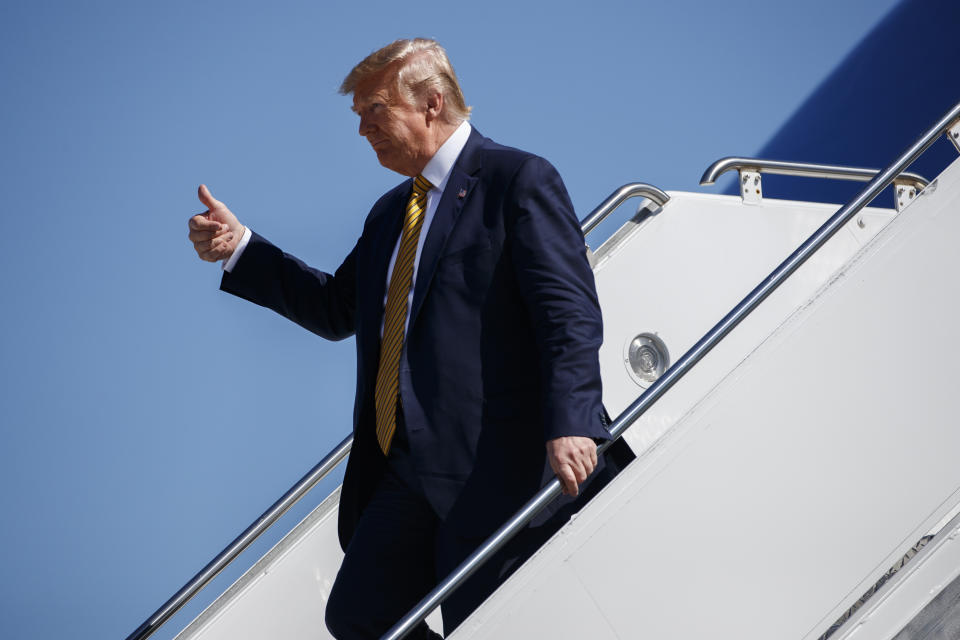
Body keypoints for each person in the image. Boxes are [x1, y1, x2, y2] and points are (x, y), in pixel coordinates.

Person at [187, 38, 627, 639]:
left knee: (487, 619)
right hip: (404, 471)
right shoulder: (390, 213)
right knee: (359, 615)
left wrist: (573, 418)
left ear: (431, 102)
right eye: (359, 116)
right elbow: (335, 309)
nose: (363, 129)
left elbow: (568, 312)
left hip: (495, 462)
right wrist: (241, 247)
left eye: (374, 110)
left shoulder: (515, 179)